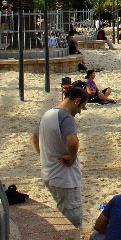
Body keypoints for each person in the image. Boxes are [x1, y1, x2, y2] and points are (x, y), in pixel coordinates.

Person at [30, 86, 89, 228]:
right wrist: (72, 157)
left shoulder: (47, 114)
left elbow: (33, 138)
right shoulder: (66, 117)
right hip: (65, 178)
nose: (80, 111)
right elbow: (73, 141)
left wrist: (45, 155)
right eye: (82, 107)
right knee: (71, 221)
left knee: (62, 213)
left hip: (49, 175)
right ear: (76, 101)